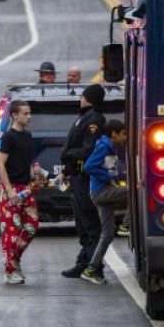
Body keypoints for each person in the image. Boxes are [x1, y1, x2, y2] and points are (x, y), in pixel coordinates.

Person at [57, 83, 106, 279]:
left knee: (90, 222)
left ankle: (94, 266)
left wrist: (67, 153)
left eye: (82, 95)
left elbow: (88, 150)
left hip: (86, 179)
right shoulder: (84, 117)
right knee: (82, 223)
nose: (80, 98)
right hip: (77, 177)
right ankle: (84, 261)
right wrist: (66, 171)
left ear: (87, 97)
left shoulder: (93, 120)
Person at [81, 119, 129, 284]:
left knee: (107, 235)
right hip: (101, 192)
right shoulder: (103, 147)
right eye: (123, 134)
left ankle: (90, 270)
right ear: (114, 134)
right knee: (136, 192)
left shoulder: (111, 147)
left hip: (102, 193)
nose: (125, 137)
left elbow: (107, 167)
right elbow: (89, 167)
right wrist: (108, 179)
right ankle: (125, 226)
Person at [0, 100, 39, 284]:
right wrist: (9, 190)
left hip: (26, 189)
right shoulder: (9, 137)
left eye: (29, 113)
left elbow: (27, 160)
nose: (28, 117)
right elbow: (0, 165)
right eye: (25, 114)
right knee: (11, 231)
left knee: (32, 226)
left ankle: (14, 260)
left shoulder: (28, 136)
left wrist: (34, 175)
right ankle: (9, 270)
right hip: (10, 189)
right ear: (14, 115)